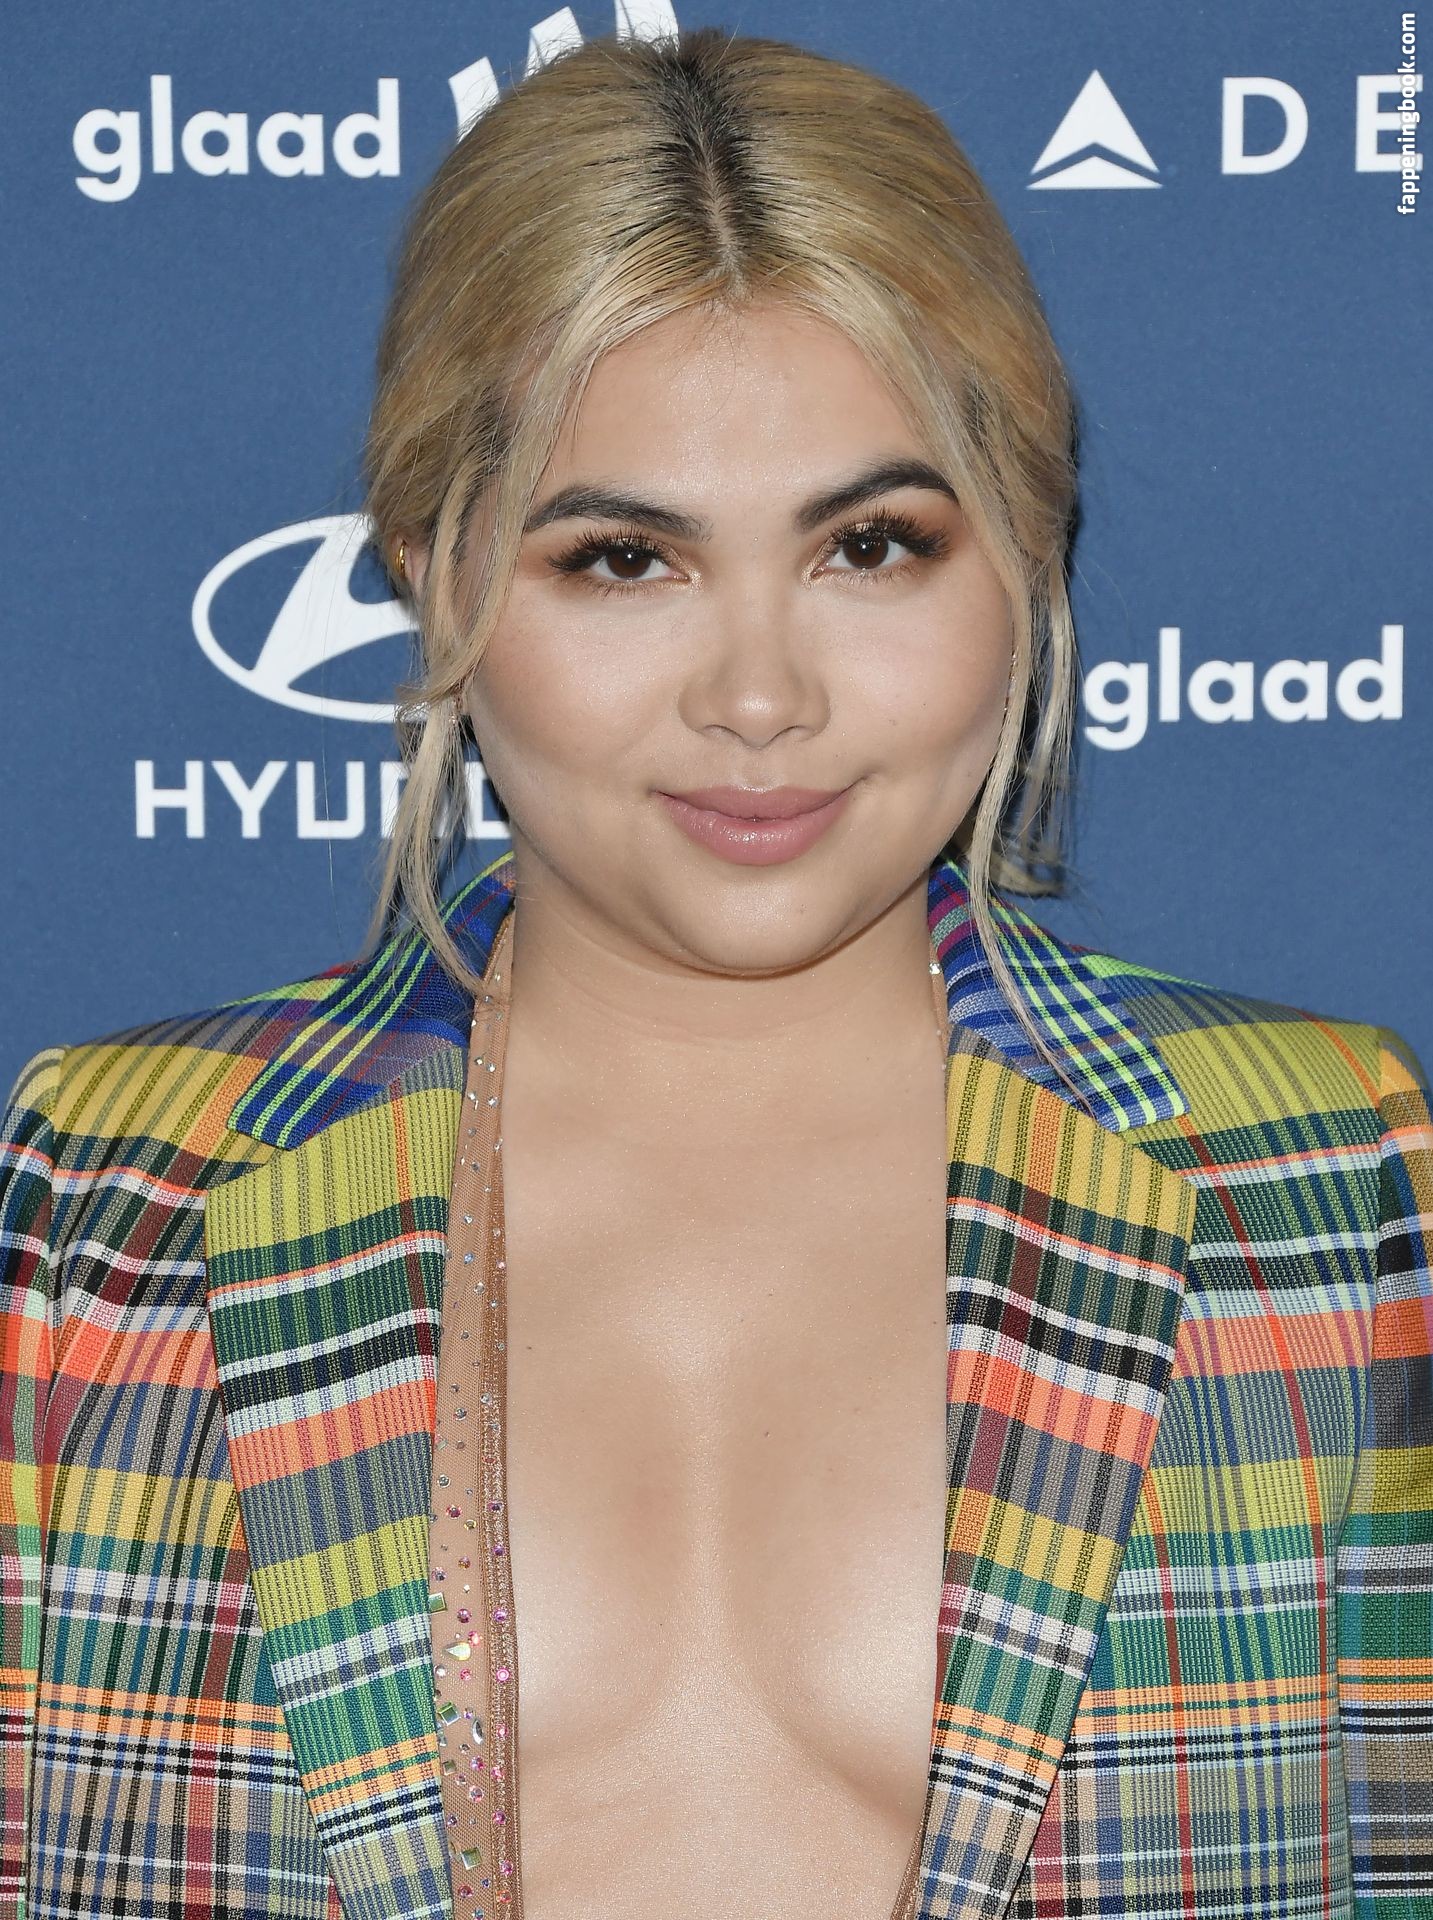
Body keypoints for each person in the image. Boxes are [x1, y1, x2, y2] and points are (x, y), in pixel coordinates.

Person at [1, 24, 1428, 1920]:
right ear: (432, 568)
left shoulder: (1322, 1184)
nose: (759, 696)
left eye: (871, 545)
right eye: (622, 561)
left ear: (1026, 551)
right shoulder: (107, 1203)